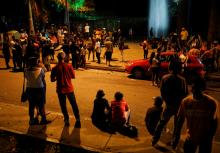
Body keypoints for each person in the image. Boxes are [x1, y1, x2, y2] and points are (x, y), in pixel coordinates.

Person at [172, 76, 219, 153]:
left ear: (203, 89)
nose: (194, 90)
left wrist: (210, 137)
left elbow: (214, 122)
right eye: (193, 87)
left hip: (205, 139)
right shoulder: (185, 102)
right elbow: (180, 119)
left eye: (197, 88)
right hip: (190, 137)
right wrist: (176, 136)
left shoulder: (211, 103)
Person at [152, 57, 188, 146]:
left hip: (169, 105)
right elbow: (185, 94)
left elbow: (162, 92)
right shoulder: (182, 80)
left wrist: (167, 101)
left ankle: (154, 140)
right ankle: (174, 142)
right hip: (179, 107)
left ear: (170, 67)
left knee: (161, 123)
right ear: (179, 69)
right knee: (177, 126)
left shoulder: (165, 78)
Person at [50, 52, 81, 127]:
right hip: (69, 88)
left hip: (60, 89)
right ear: (64, 58)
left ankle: (66, 120)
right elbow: (73, 76)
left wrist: (58, 78)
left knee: (63, 105)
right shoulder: (69, 66)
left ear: (58, 58)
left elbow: (52, 80)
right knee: (74, 104)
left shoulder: (55, 68)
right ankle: (78, 119)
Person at [25, 57, 50, 125]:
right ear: (36, 62)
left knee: (31, 106)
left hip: (30, 89)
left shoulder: (25, 70)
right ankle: (43, 119)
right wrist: (41, 64)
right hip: (39, 89)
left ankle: (31, 120)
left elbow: (26, 78)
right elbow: (43, 77)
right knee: (41, 105)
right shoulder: (40, 70)